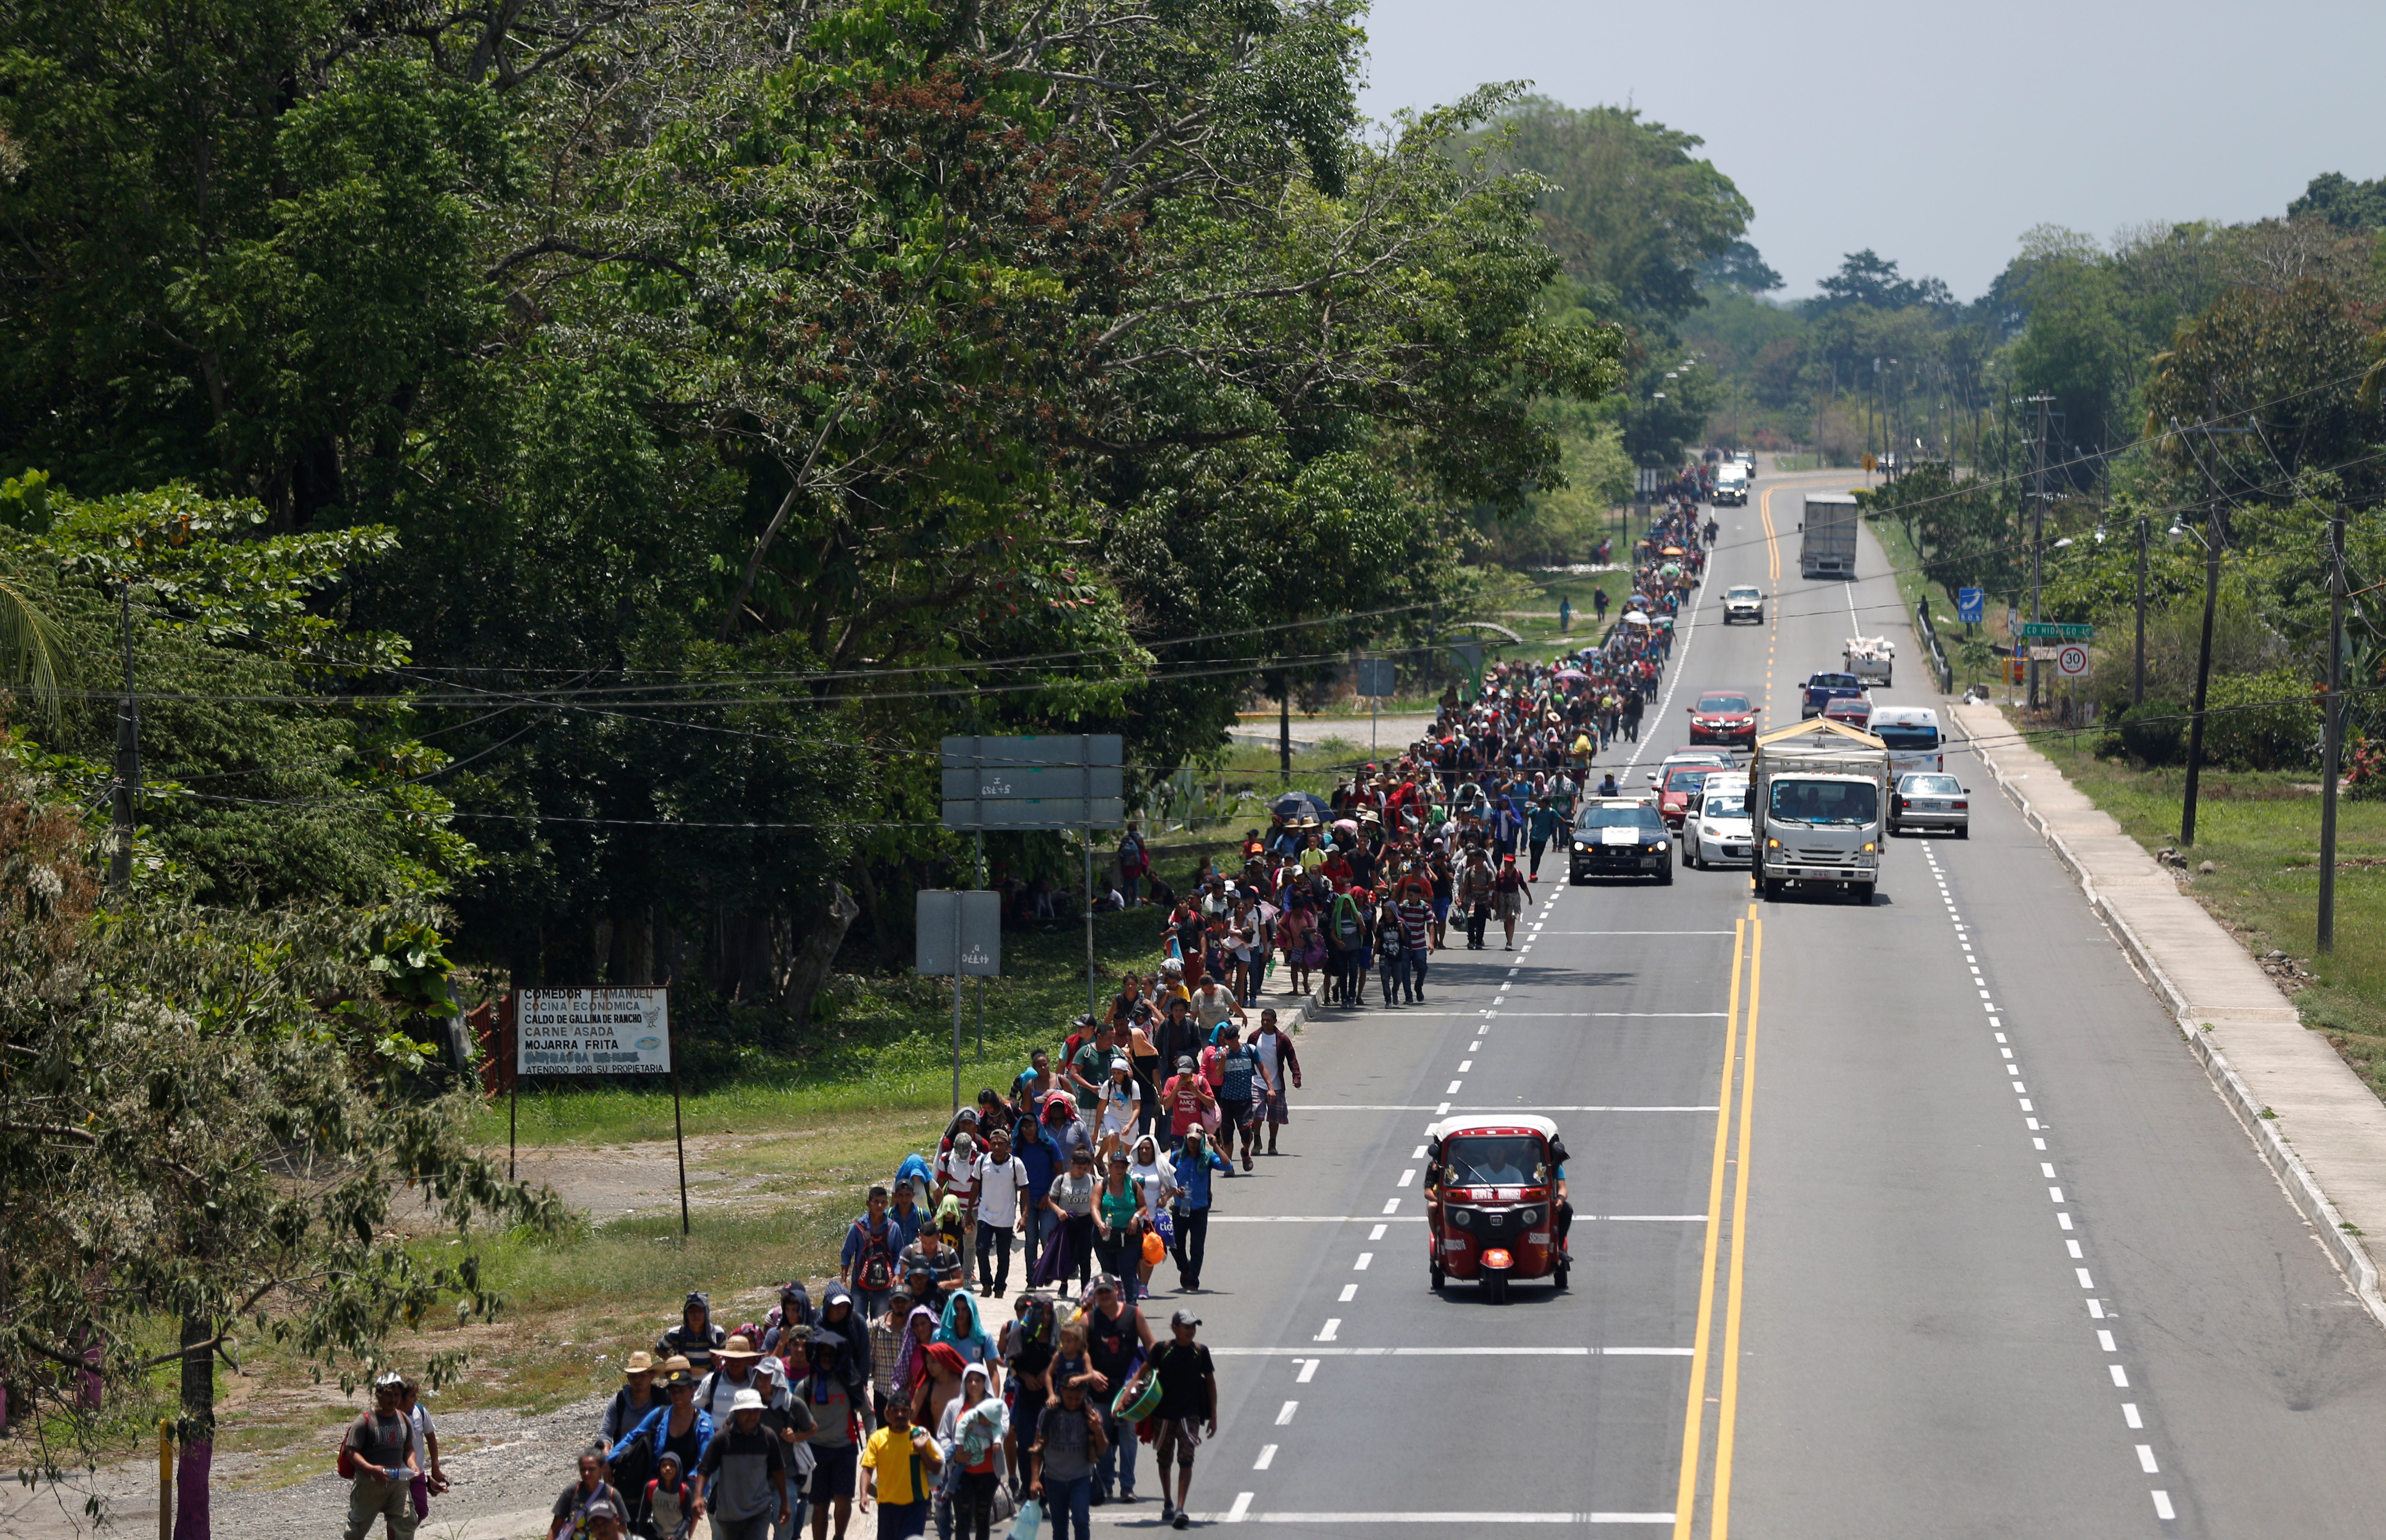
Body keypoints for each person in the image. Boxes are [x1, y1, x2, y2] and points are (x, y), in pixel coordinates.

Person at [1076, 1276, 1152, 1506]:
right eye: (1100, 1293)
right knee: (1103, 1436)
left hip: (1129, 1389)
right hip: (1100, 1390)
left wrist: (1145, 1379)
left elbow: (1151, 1347)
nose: (1104, 1296)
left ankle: (1127, 1486)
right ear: (1095, 1295)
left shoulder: (1133, 1314)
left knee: (1129, 1436)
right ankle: (1106, 1484)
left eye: (1108, 1291)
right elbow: (1080, 1352)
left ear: (1116, 1290)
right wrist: (1091, 1375)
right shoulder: (1088, 1320)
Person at [1141, 1312, 1216, 1530]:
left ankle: (1180, 1508)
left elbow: (1211, 1384)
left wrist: (1214, 1417)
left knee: (1187, 1458)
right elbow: (1141, 1374)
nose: (1191, 1331)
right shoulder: (1162, 1350)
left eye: (1193, 1327)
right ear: (1174, 1328)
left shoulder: (1200, 1352)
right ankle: (1168, 1501)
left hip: (1189, 1415)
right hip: (1163, 1414)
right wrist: (1125, 1399)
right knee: (1164, 1459)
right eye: (1186, 1327)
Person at [792, 1332, 862, 1540]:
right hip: (816, 1452)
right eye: (822, 1354)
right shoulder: (806, 1386)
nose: (826, 1358)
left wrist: (873, 1444)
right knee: (820, 1505)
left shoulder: (851, 1384)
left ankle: (839, 1537)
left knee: (844, 1501)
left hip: (845, 1449)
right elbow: (793, 1419)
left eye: (831, 1354)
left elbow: (867, 1414)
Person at [342, 1371, 421, 1540]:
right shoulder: (365, 1421)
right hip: (369, 1485)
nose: (393, 1399)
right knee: (356, 1530)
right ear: (378, 1394)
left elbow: (408, 1449)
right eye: (388, 1395)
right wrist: (371, 1469)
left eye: (397, 1395)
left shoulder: (403, 1419)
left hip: (398, 1484)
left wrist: (413, 1465)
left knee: (407, 1522)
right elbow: (352, 1452)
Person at [1026, 1372, 1105, 1540]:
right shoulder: (1048, 1414)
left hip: (1081, 1478)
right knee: (1060, 1527)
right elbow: (1037, 1450)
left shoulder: (1091, 1415)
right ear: (1061, 1392)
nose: (1073, 1403)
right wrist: (1034, 1480)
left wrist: (1098, 1430)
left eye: (1078, 1399)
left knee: (1081, 1521)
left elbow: (1103, 1449)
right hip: (1054, 1480)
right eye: (1069, 1398)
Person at [934, 1364, 1007, 1540]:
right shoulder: (953, 1406)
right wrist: (954, 1455)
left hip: (989, 1473)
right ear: (964, 1383)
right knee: (962, 1520)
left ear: (985, 1383)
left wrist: (976, 1428)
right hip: (961, 1473)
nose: (974, 1384)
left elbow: (1003, 1430)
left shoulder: (997, 1407)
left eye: (978, 1380)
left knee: (983, 1521)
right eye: (970, 1380)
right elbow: (942, 1437)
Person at [860, 1391, 941, 1540]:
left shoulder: (920, 1435)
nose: (900, 1414)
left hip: (915, 1507)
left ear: (910, 1412)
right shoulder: (878, 1439)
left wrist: (922, 1450)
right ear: (887, 1414)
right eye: (895, 1410)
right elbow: (867, 1469)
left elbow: (937, 1468)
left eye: (904, 1410)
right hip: (887, 1508)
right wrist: (864, 1495)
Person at [1168, 1130, 1232, 1292]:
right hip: (1180, 1207)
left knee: (1197, 1247)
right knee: (1175, 1245)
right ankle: (1185, 1269)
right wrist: (1175, 1190)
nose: (1193, 1144)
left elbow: (1227, 1165)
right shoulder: (1176, 1157)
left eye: (1196, 1141)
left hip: (1200, 1209)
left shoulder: (1208, 1158)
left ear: (1201, 1142)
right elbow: (1168, 1178)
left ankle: (1194, 1279)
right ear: (1186, 1140)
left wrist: (1216, 1145)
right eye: (1190, 1140)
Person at [972, 1126, 1029, 1298]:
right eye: (994, 1144)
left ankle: (1000, 1287)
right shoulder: (982, 1162)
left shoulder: (1016, 1165)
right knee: (981, 1250)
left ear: (1008, 1145)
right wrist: (969, 1213)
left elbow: (1025, 1191)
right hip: (985, 1215)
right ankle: (986, 1283)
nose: (997, 1147)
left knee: (1004, 1255)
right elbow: (975, 1187)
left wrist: (1024, 1215)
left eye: (1001, 1144)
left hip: (1005, 1218)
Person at [1041, 1146, 1099, 1297]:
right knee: (1066, 1255)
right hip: (1067, 1222)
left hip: (1086, 1222)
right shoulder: (1062, 1180)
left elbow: (1097, 1199)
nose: (1082, 1171)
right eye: (1079, 1168)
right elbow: (1052, 1199)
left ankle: (1086, 1291)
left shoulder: (1092, 1180)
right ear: (1072, 1164)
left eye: (1085, 1168)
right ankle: (1064, 1284)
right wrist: (1059, 1211)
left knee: (1085, 1257)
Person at [839, 1188, 901, 1321]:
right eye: (876, 1202)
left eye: (883, 1202)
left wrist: (897, 1274)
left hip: (884, 1287)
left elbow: (899, 1255)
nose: (880, 1206)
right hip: (859, 1286)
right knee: (857, 1321)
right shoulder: (858, 1227)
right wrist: (844, 1280)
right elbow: (847, 1254)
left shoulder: (894, 1228)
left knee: (880, 1323)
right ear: (868, 1203)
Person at [547, 1443, 622, 1540]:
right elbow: (555, 1528)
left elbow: (622, 1530)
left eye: (592, 1469)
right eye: (583, 1469)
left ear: (603, 1468)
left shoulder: (612, 1494)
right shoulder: (572, 1491)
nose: (587, 1473)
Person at [398, 1376, 447, 1524]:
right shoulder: (391, 1416)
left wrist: (435, 1468)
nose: (416, 1399)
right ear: (401, 1398)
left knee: (421, 1511)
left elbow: (431, 1438)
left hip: (417, 1472)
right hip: (397, 1475)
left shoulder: (420, 1412)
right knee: (398, 1516)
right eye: (412, 1396)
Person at [1250, 1012, 1299, 1157]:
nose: (1265, 1023)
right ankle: (1257, 1141)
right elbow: (1247, 1056)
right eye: (1263, 1020)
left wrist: (1296, 1076)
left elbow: (1292, 1059)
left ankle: (1273, 1143)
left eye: (1269, 1021)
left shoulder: (1282, 1039)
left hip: (1276, 1084)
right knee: (1257, 1114)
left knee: (1274, 1117)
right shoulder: (1254, 1037)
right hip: (1257, 1082)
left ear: (1275, 1021)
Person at [1211, 1026, 1260, 1170]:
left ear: (1238, 1037)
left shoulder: (1250, 1050)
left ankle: (1245, 1153)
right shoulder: (1221, 1053)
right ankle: (1229, 1166)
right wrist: (1224, 1060)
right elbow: (1218, 1074)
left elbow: (1262, 1068)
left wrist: (1270, 1087)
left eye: (1233, 1039)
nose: (1231, 1043)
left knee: (1246, 1133)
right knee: (1227, 1137)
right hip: (1227, 1100)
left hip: (1244, 1099)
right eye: (1228, 1040)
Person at [657, 1292, 728, 1376]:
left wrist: (722, 1358)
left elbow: (729, 1352)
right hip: (683, 1385)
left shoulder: (718, 1334)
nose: (696, 1315)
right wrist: (672, 1360)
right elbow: (659, 1349)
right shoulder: (675, 1334)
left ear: (707, 1313)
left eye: (701, 1311)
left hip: (711, 1384)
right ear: (686, 1314)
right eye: (692, 1312)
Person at [645, 1449, 699, 1540]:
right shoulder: (651, 1487)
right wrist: (647, 1534)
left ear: (678, 1469)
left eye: (672, 1465)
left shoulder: (685, 1491)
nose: (668, 1468)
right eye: (664, 1465)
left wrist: (677, 1536)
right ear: (659, 1468)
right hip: (656, 1535)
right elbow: (644, 1515)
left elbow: (688, 1519)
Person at [1493, 853, 1533, 950]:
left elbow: (1523, 886)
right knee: (1505, 920)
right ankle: (1508, 939)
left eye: (1509, 862)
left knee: (1510, 917)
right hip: (1503, 898)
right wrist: (1495, 903)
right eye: (1506, 862)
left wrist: (1530, 897)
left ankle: (1510, 942)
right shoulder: (1500, 874)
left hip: (1514, 898)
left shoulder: (1517, 874)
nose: (1506, 864)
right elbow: (1497, 889)